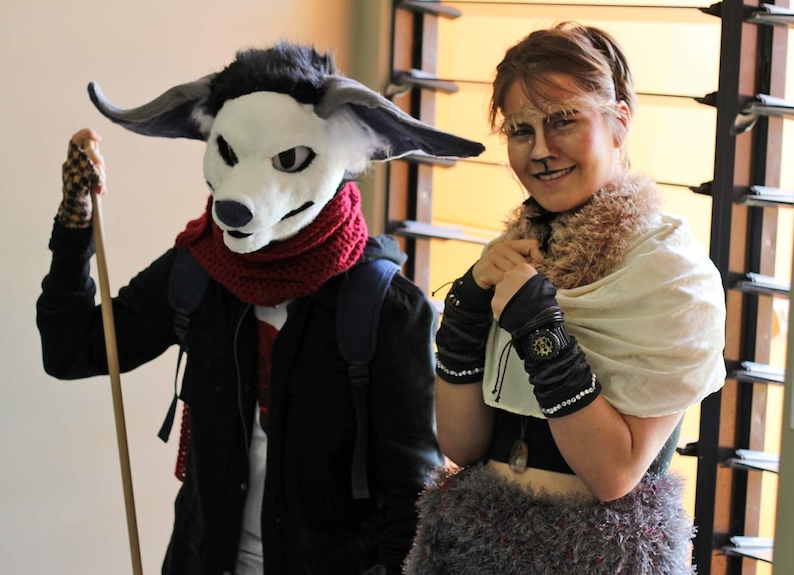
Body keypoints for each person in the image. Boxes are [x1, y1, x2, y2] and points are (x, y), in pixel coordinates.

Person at [36, 43, 485, 575]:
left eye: (288, 160)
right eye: (230, 155)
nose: (241, 196)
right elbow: (73, 351)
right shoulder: (198, 269)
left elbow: (411, 499)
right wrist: (74, 229)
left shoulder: (386, 308)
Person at [404, 22, 726, 574]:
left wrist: (540, 331)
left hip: (598, 556)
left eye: (564, 121)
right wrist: (463, 318)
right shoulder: (515, 252)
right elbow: (462, 444)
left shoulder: (672, 272)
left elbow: (613, 474)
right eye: (521, 130)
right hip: (469, 547)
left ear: (619, 121)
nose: (542, 151)